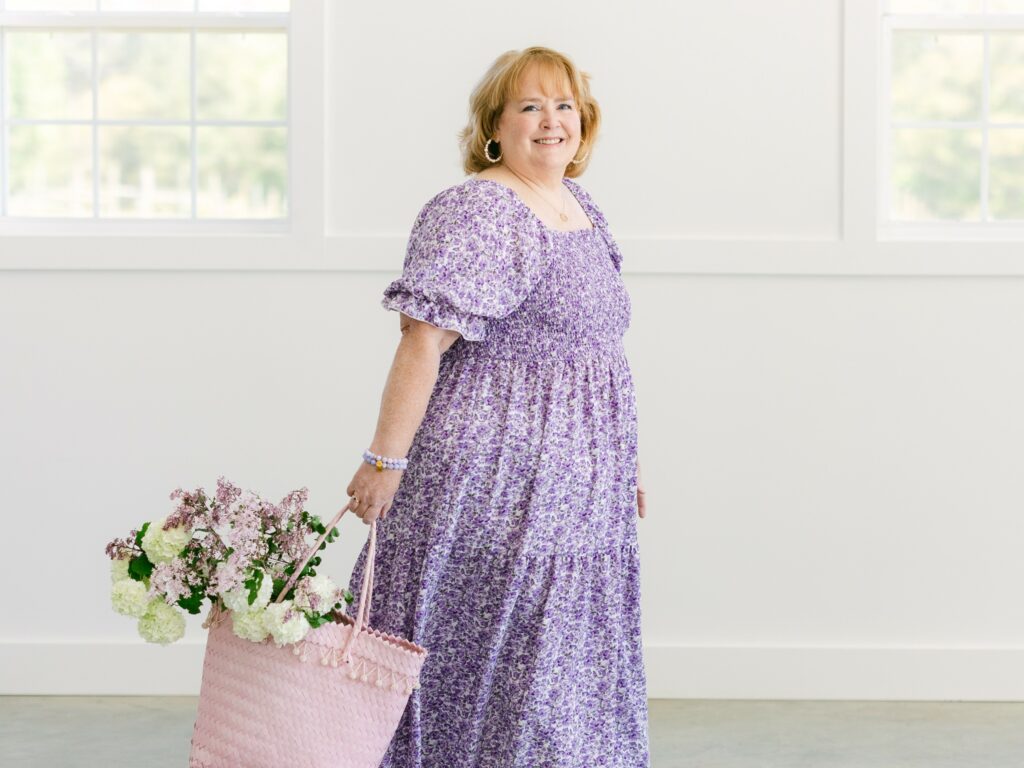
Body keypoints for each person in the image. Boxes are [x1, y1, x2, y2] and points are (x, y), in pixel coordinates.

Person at [343, 45, 650, 767]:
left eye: (565, 105)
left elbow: (595, 355)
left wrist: (620, 463)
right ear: (494, 126)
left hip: (578, 487)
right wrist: (384, 460)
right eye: (530, 106)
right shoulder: (482, 208)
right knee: (504, 657)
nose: (552, 121)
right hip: (497, 482)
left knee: (556, 659)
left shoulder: (578, 204)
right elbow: (423, 340)